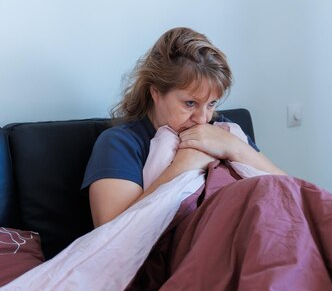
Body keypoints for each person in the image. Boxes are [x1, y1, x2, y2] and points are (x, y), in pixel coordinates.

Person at [82, 27, 285, 227]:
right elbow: (110, 237)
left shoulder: (224, 131)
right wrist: (184, 164)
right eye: (190, 103)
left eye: (212, 103)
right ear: (156, 93)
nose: (203, 119)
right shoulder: (120, 144)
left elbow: (289, 192)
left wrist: (234, 147)